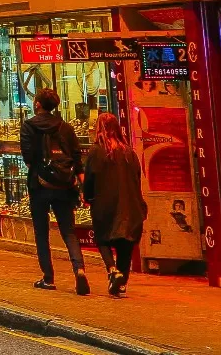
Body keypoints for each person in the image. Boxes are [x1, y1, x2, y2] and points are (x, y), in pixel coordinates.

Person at [21, 86, 91, 294]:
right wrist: (81, 183)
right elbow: (77, 158)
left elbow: (27, 157)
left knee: (41, 232)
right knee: (68, 231)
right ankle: (79, 269)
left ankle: (48, 277)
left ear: (38, 104)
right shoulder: (65, 127)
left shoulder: (29, 126)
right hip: (64, 185)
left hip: (39, 184)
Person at [85, 111, 146, 296]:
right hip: (130, 205)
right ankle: (121, 283)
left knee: (103, 238)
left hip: (105, 204)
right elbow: (137, 178)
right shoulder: (129, 152)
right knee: (125, 245)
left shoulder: (96, 152)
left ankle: (112, 269)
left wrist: (88, 197)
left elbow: (89, 180)